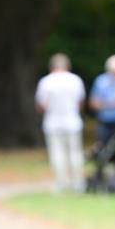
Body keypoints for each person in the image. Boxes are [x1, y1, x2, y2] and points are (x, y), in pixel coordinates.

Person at [35, 53, 85, 192]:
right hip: (72, 122)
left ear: (51, 67)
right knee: (75, 154)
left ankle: (60, 183)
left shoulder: (46, 82)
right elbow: (80, 102)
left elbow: (41, 105)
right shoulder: (75, 80)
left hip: (53, 123)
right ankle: (77, 183)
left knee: (57, 154)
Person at [89, 55, 115, 145]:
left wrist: (105, 104)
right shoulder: (101, 81)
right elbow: (93, 103)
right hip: (105, 121)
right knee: (102, 146)